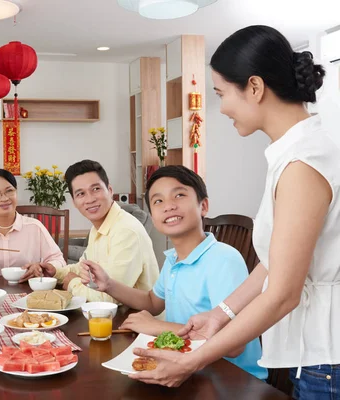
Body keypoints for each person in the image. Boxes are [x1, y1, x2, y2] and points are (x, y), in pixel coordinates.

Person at [129, 25, 339, 398]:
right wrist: (220, 314)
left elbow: (283, 293)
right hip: (314, 353)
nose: (222, 106)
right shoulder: (295, 154)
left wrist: (192, 360)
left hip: (326, 357)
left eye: (222, 93)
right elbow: (277, 262)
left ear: (254, 88)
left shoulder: (303, 164)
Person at [80, 166, 267, 379]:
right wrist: (108, 284)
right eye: (158, 201)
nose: (168, 206)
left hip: (233, 380)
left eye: (179, 195)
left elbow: (234, 346)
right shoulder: (173, 260)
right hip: (188, 367)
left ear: (203, 205)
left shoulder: (224, 259)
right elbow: (153, 302)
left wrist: (157, 327)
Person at [40, 159, 159, 302]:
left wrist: (72, 283)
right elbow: (84, 267)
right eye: (81, 194)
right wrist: (56, 272)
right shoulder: (99, 226)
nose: (90, 199)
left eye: (96, 189)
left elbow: (110, 298)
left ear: (109, 190)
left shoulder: (126, 231)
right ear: (74, 201)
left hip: (138, 318)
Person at [0, 169, 66, 279]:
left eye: (9, 191)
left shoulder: (35, 227)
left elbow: (59, 261)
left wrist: (41, 267)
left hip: (28, 292)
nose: (5, 198)